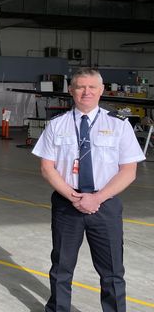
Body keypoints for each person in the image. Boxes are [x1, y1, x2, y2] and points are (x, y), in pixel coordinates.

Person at [32, 67, 145, 312]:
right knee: (61, 267)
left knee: (112, 270)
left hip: (105, 205)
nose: (86, 92)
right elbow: (47, 168)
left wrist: (97, 198)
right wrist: (73, 197)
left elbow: (129, 171)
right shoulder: (56, 125)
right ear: (71, 90)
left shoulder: (119, 124)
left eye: (92, 87)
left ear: (101, 90)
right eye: (80, 87)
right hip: (67, 203)